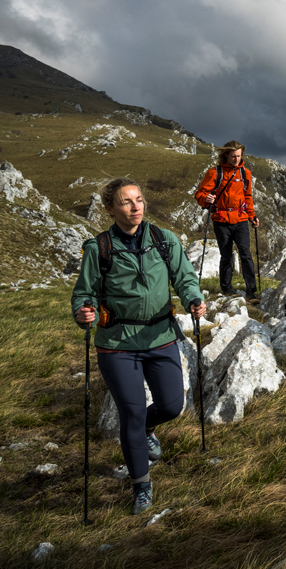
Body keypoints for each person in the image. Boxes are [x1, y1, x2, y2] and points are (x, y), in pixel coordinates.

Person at [72, 178, 206, 515]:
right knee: (130, 413)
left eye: (139, 200)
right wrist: (83, 311)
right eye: (126, 202)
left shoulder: (163, 240)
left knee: (174, 405)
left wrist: (193, 298)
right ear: (110, 209)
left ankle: (147, 428)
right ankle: (141, 486)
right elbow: (83, 293)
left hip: (160, 337)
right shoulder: (98, 249)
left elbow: (184, 276)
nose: (136, 207)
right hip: (117, 343)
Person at [194, 140, 261, 299]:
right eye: (233, 156)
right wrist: (206, 199)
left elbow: (248, 197)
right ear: (226, 156)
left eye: (238, 156)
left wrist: (252, 216)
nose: (236, 159)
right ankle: (227, 290)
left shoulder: (245, 173)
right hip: (221, 220)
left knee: (246, 255)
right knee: (226, 256)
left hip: (240, 219)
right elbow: (199, 194)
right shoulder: (215, 172)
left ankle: (251, 291)